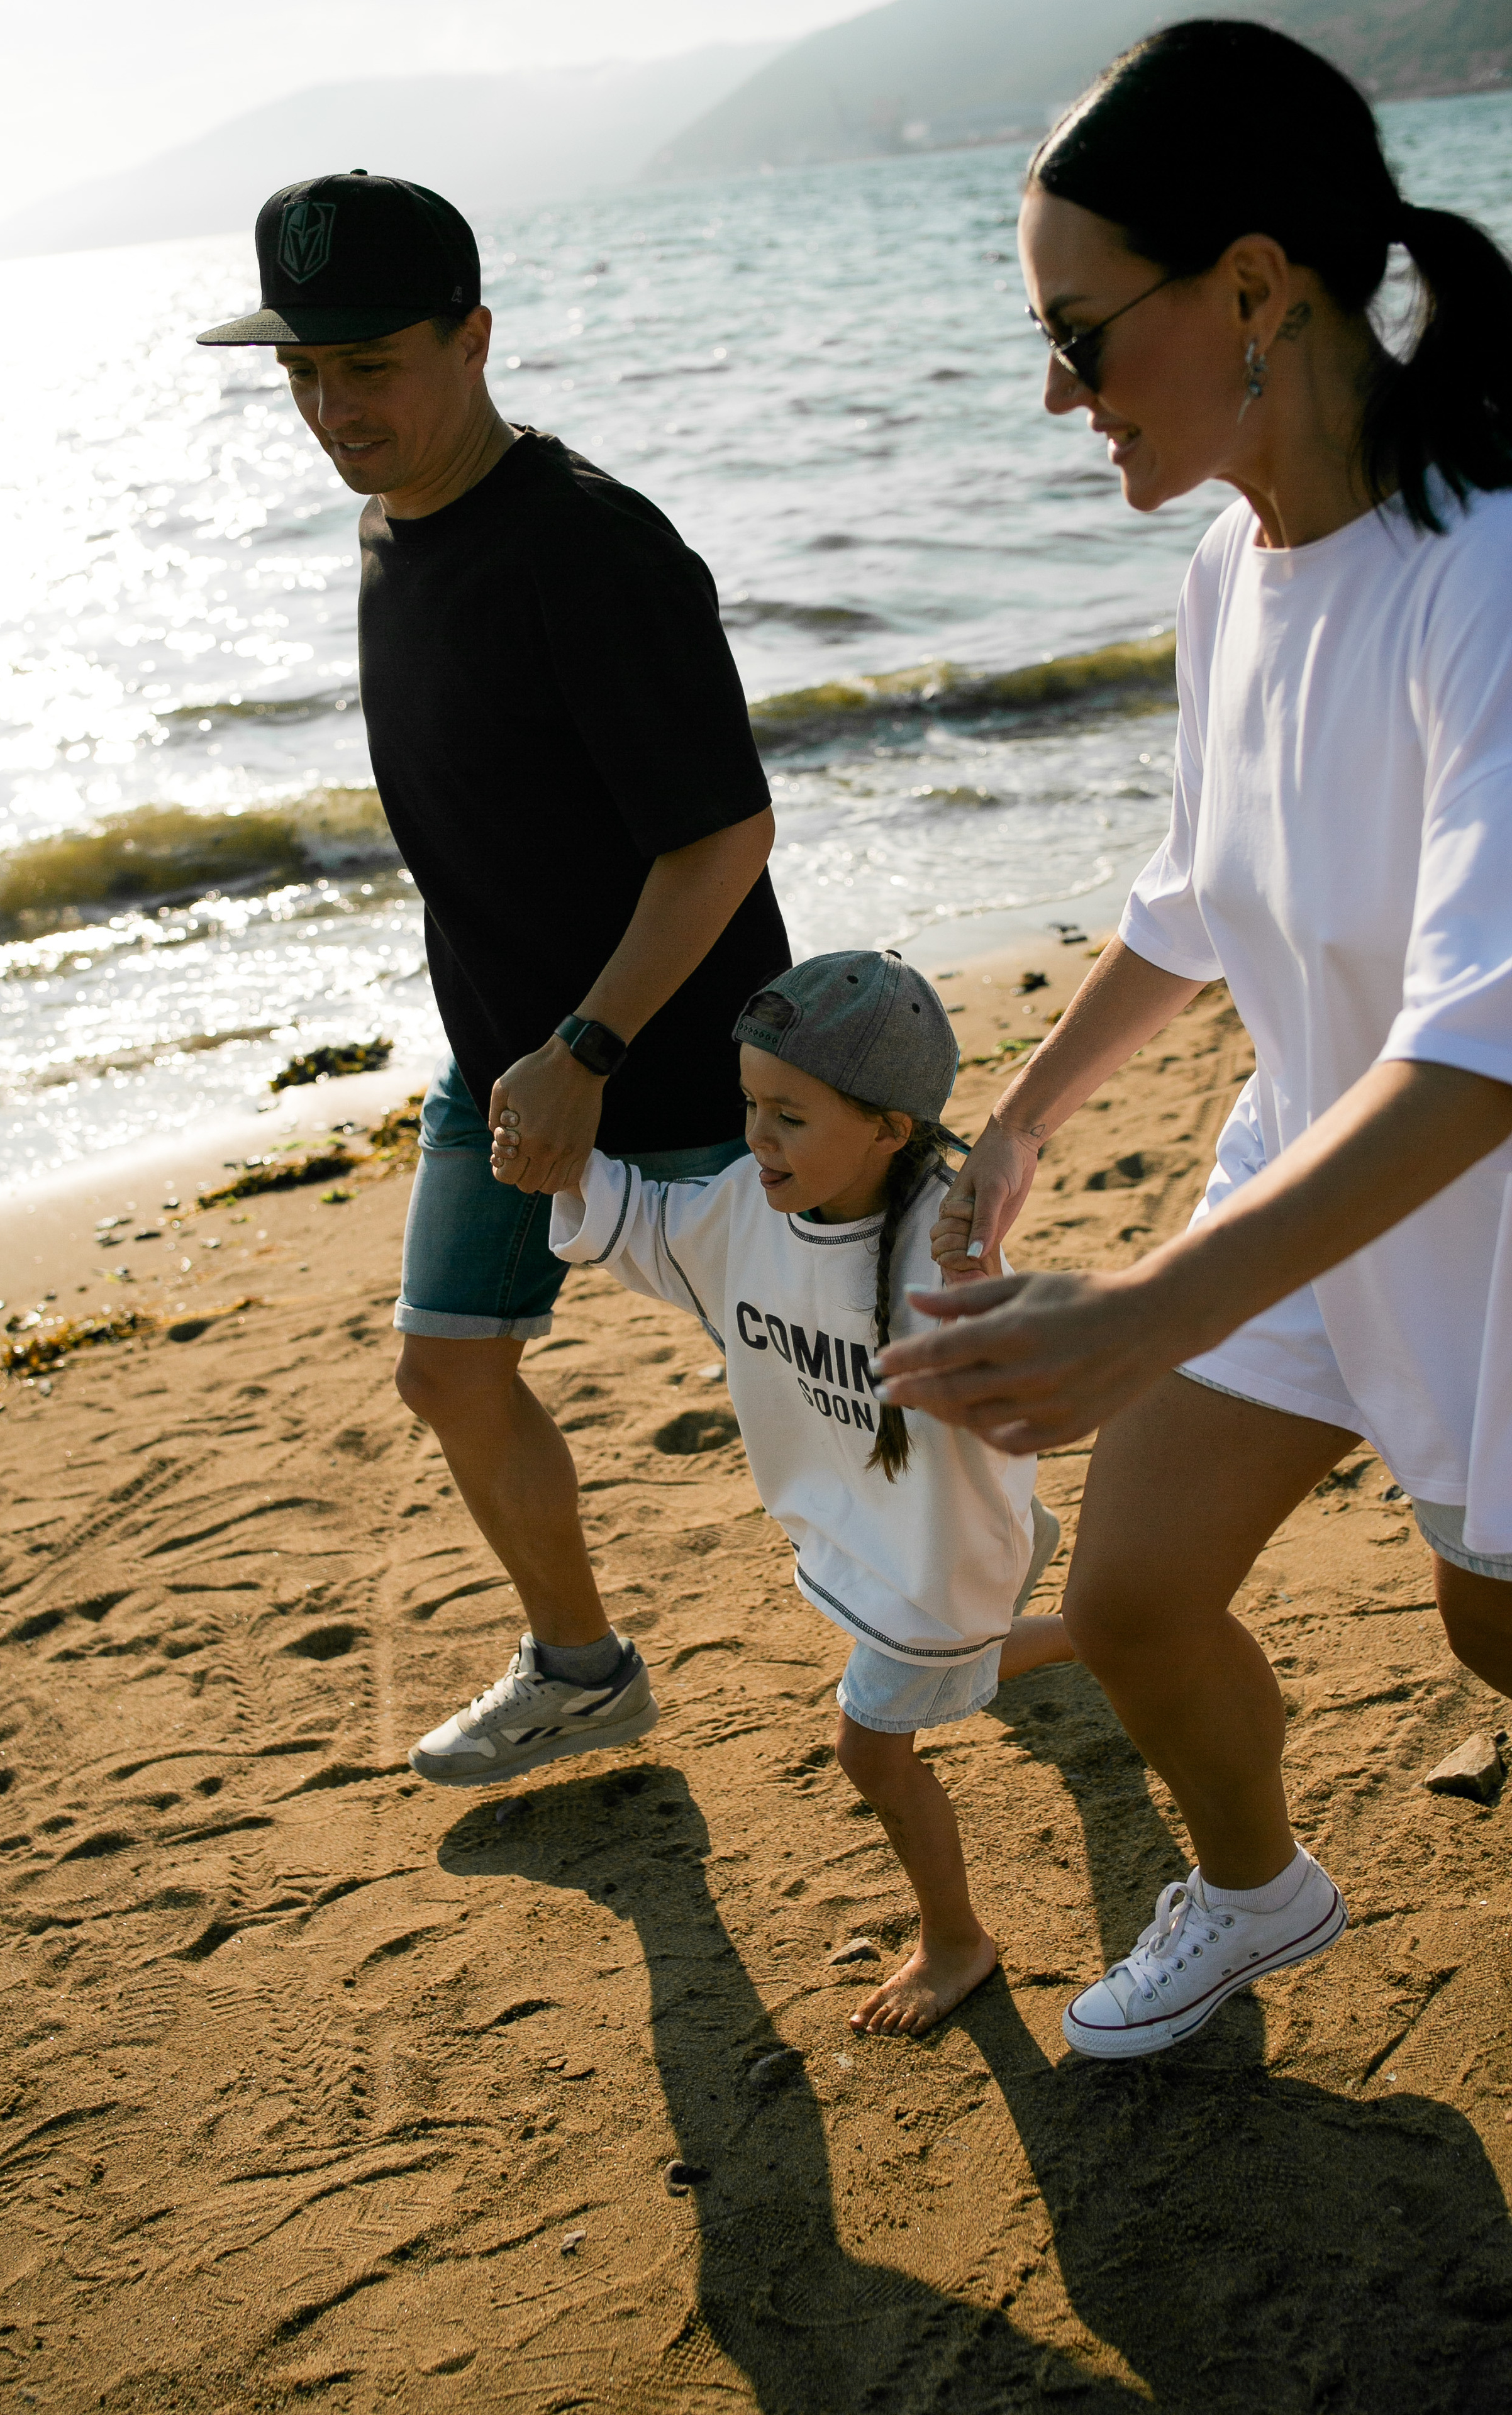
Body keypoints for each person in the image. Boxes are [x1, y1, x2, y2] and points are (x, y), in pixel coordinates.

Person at [874, 19, 1512, 2060]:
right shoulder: (1229, 571)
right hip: (1308, 1177)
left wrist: (1144, 1306)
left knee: (1491, 1636)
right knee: (1139, 1595)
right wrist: (1030, 1114)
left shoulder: (1488, 568)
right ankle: (1260, 1894)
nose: (1057, 391)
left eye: (1081, 332)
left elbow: (1488, 1041)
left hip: (1482, 1226)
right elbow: (1194, 893)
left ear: (1254, 284)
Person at [199, 174, 790, 1781]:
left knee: (825, 1391)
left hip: (691, 1074)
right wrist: (515, 1043)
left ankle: (978, 1570)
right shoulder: (395, 520)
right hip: (506, 1055)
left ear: (472, 337)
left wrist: (585, 1051)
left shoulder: (586, 548)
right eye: (300, 374)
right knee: (449, 1370)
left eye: (367, 367)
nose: (330, 410)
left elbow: (723, 834)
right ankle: (581, 1666)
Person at [438, 950, 1071, 2036]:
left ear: (892, 1131)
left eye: (789, 1116)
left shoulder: (945, 1256)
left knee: (871, 1751)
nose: (756, 1138)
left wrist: (996, 1326)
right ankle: (1083, 1614)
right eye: (750, 1106)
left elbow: (1041, 1372)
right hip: (865, 1534)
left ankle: (958, 1938)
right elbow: (639, 1216)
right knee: (952, 1663)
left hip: (928, 1553)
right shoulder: (747, 1206)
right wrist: (559, 1171)